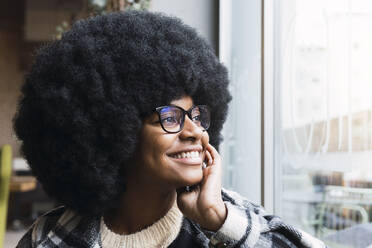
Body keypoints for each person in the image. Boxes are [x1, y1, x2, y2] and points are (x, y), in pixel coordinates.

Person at [14, 11, 326, 248]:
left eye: (197, 114)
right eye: (170, 117)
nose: (195, 131)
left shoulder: (228, 221)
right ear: (113, 132)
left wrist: (219, 219)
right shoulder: (50, 237)